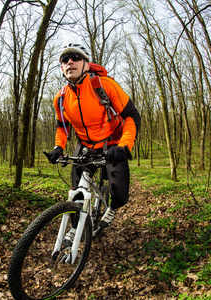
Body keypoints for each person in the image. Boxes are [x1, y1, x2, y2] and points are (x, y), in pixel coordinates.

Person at [46, 43, 141, 243]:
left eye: (75, 57)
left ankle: (112, 207)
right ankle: (74, 227)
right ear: (61, 68)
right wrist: (58, 147)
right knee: (76, 192)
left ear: (87, 65)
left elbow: (132, 115)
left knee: (121, 196)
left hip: (113, 145)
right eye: (65, 60)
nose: (70, 61)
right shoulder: (61, 98)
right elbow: (62, 127)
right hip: (85, 146)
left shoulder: (104, 85)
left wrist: (124, 145)